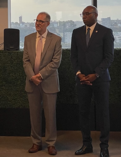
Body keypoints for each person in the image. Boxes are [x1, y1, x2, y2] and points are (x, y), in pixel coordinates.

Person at [71, 5, 114, 157]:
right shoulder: (76, 33)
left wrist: (95, 74)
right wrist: (79, 74)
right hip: (82, 80)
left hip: (101, 80)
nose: (84, 16)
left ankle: (104, 147)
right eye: (82, 14)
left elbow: (109, 57)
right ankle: (86, 145)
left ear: (95, 15)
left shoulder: (105, 32)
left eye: (87, 14)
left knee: (103, 113)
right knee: (83, 112)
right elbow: (73, 57)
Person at [23, 12, 62, 155]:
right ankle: (36, 142)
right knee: (34, 115)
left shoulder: (56, 39)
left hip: (49, 82)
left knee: (50, 115)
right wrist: (32, 77)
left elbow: (56, 62)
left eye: (41, 21)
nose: (37, 23)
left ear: (48, 24)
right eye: (36, 20)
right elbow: (26, 61)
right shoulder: (28, 39)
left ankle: (51, 143)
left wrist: (39, 75)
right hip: (32, 83)